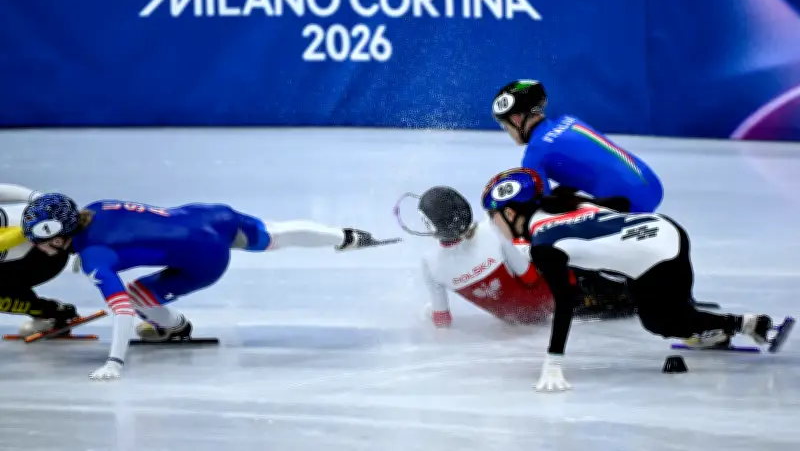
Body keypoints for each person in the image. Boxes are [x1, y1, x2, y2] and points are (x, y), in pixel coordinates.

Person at [21, 193, 389, 381]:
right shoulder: (96, 207)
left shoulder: (95, 257)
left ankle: (174, 326)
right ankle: (347, 236)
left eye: (37, 239)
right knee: (276, 235)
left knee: (134, 297)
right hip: (206, 216)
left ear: (59, 234)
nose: (35, 246)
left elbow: (120, 312)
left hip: (204, 258)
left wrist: (115, 362)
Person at [480, 167, 777, 392]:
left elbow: (565, 302)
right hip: (663, 230)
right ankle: (701, 320)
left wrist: (554, 361)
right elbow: (620, 202)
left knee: (661, 323)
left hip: (658, 258)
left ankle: (748, 324)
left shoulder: (543, 245)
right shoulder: (563, 202)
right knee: (651, 305)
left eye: (494, 219)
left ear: (508, 212)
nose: (495, 227)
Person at [396, 186, 634, 328]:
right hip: (555, 295)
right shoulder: (493, 230)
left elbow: (442, 320)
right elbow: (529, 278)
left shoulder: (430, 264)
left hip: (519, 320)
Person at [491, 80, 663, 212]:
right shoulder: (569, 120)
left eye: (505, 125)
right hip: (651, 182)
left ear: (517, 120)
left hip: (631, 204)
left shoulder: (534, 153)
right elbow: (587, 163)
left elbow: (540, 209)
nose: (507, 131)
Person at [0, 184, 79, 336]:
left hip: (42, 254)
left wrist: (36, 197)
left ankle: (48, 312)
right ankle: (46, 312)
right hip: (34, 243)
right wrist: (34, 197)